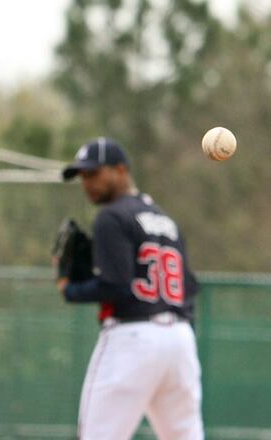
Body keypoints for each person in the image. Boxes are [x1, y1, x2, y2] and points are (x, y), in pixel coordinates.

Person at [56, 138, 203, 440]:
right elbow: (189, 286)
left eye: (94, 173)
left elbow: (117, 286)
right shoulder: (165, 220)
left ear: (121, 170)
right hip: (180, 341)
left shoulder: (111, 216)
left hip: (132, 340)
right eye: (83, 177)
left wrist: (70, 289)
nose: (87, 183)